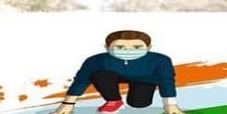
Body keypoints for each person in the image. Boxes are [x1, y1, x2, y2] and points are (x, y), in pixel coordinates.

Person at [49, 30, 182, 114]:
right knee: (100, 75)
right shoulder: (96, 60)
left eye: (137, 47)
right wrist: (68, 103)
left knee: (139, 104)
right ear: (107, 47)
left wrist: (170, 105)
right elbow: (82, 80)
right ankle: (114, 100)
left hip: (144, 79)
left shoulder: (160, 60)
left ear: (148, 47)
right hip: (110, 77)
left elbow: (166, 80)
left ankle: (138, 95)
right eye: (120, 47)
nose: (128, 50)